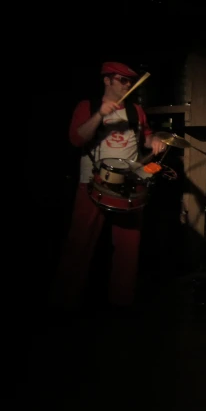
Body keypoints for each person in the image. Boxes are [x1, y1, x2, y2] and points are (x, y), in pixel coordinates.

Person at [50, 61, 167, 310]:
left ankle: (121, 303)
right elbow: (75, 138)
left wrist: (155, 140)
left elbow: (146, 138)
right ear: (106, 80)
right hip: (92, 183)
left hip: (128, 184)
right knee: (79, 244)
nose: (127, 84)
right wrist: (100, 115)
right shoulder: (88, 107)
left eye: (129, 81)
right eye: (121, 79)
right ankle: (65, 303)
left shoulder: (136, 110)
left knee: (128, 248)